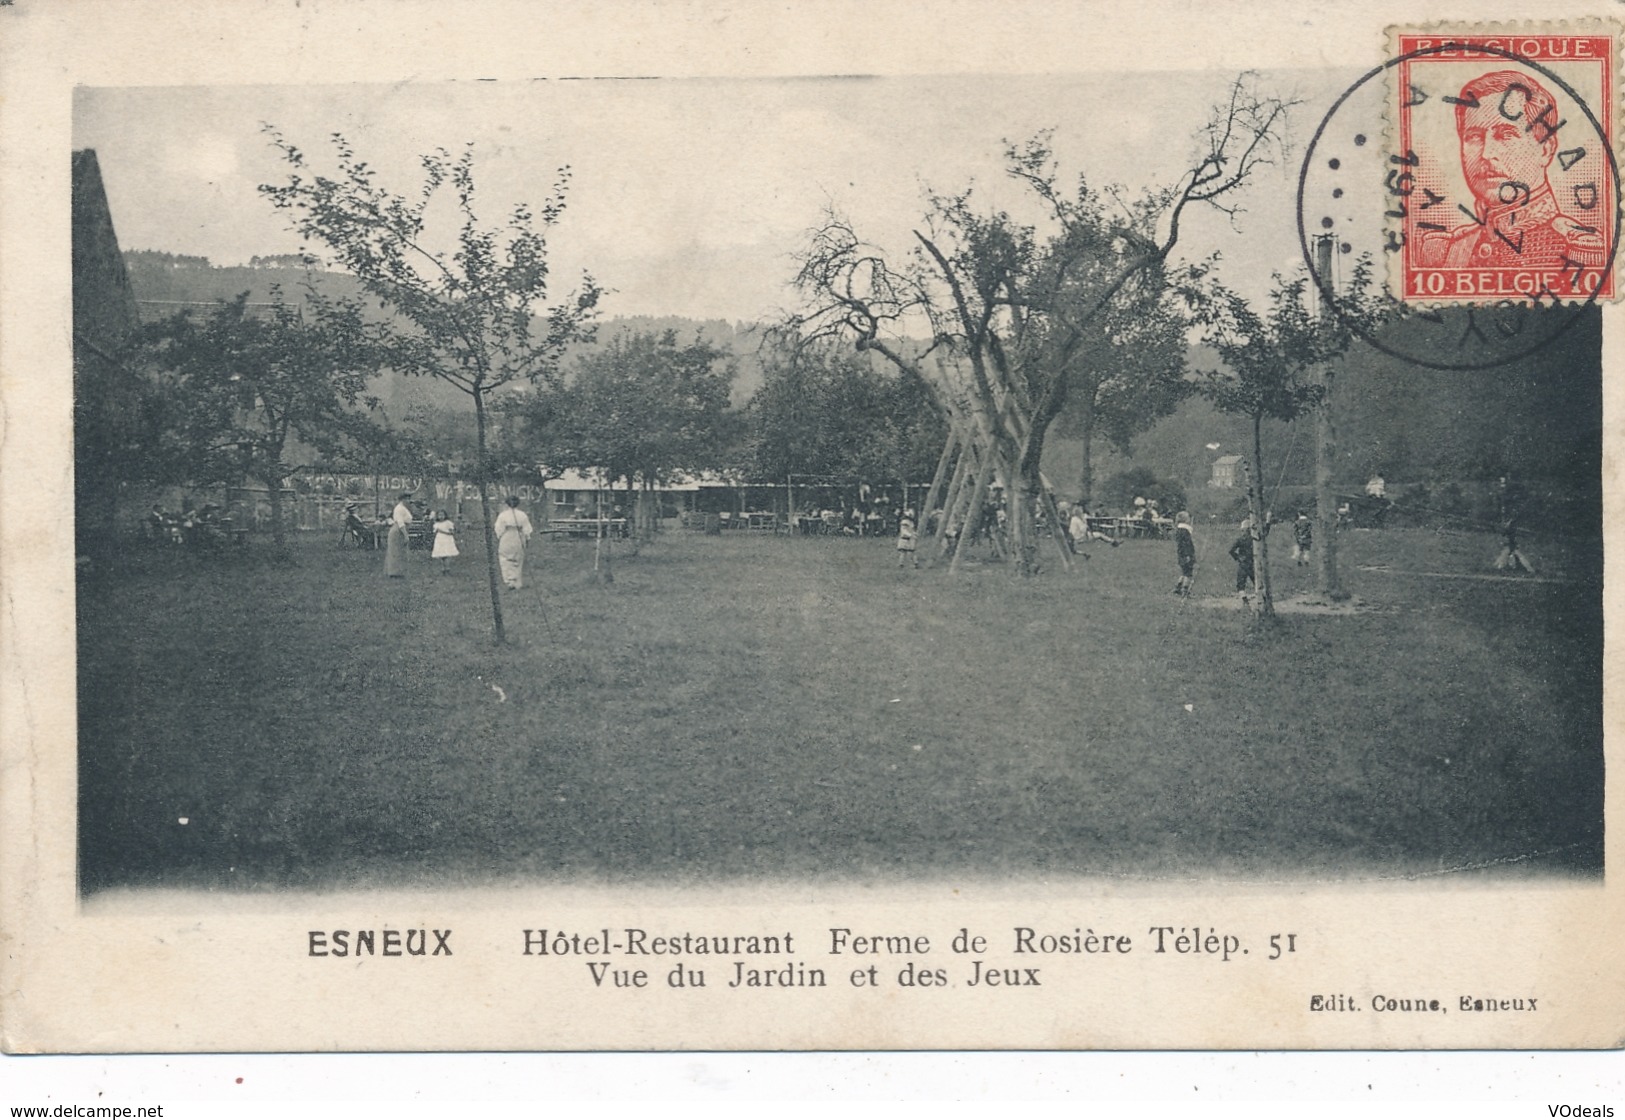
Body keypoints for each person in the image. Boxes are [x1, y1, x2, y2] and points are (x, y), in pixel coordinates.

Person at [1419, 70, 1608, 272]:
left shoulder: (1579, 249)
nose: (1486, 153)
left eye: (1505, 135)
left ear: (1545, 149)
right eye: (1474, 137)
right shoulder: (1448, 251)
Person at [494, 494, 533, 590]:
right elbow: (527, 529)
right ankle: (516, 581)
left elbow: (499, 528)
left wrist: (499, 536)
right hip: (519, 536)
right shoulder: (522, 515)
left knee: (505, 558)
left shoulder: (503, 515)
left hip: (507, 535)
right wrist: (527, 538)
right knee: (518, 558)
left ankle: (509, 581)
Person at [384, 492, 413, 578]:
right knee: (396, 551)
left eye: (409, 498)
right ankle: (394, 572)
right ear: (402, 499)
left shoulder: (403, 508)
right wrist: (405, 535)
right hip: (398, 530)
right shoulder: (399, 508)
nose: (408, 500)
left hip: (401, 529)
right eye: (406, 499)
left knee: (400, 551)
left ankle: (399, 571)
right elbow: (400, 522)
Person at [1229, 517, 1257, 605]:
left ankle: (1244, 600)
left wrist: (1238, 557)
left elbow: (1231, 551)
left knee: (1241, 584)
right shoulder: (1253, 539)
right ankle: (1261, 597)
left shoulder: (1240, 539)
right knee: (1256, 581)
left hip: (1243, 564)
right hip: (1252, 563)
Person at [1173, 511, 1196, 597]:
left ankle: (1178, 587)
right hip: (1187, 554)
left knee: (1184, 572)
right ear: (1185, 520)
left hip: (1181, 554)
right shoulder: (1185, 531)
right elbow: (1186, 545)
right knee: (1188, 573)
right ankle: (1185, 591)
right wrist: (1188, 555)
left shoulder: (1179, 530)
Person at [431, 509, 459, 574]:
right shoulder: (436, 524)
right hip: (439, 540)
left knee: (447, 554)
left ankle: (447, 568)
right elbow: (435, 532)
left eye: (442, 515)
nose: (441, 517)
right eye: (439, 515)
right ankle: (443, 568)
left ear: (445, 515)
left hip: (447, 539)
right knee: (441, 554)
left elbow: (452, 532)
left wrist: (442, 531)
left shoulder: (448, 523)